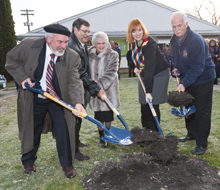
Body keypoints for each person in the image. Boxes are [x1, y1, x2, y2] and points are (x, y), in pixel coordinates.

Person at [5, 23, 86, 179]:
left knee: (65, 129)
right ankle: (28, 160)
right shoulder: (28, 46)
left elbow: (74, 80)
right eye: (59, 42)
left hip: (58, 99)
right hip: (34, 96)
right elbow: (11, 60)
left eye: (66, 41)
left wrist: (78, 102)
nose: (64, 46)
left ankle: (67, 164)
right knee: (32, 129)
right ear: (48, 39)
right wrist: (22, 78)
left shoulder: (72, 56)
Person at [170, 11, 216, 155]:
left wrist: (183, 83)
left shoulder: (196, 40)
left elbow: (198, 67)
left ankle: (202, 143)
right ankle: (192, 134)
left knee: (202, 111)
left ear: (186, 24)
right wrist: (175, 70)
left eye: (179, 25)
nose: (176, 29)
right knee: (188, 107)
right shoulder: (173, 40)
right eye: (173, 26)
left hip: (203, 79)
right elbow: (174, 59)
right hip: (188, 79)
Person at [68, 18, 106, 160]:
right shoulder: (72, 46)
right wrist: (96, 88)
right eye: (84, 31)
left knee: (78, 119)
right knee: (74, 121)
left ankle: (76, 142)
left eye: (89, 32)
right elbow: (79, 72)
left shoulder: (81, 44)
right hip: (73, 90)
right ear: (75, 30)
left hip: (81, 88)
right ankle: (74, 151)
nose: (87, 34)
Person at [127, 18, 169, 132]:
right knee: (143, 103)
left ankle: (155, 132)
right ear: (131, 33)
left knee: (152, 103)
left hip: (159, 74)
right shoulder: (134, 44)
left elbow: (150, 68)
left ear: (143, 30)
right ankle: (146, 131)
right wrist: (136, 67)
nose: (137, 33)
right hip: (146, 73)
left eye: (140, 30)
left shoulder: (149, 44)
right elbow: (136, 59)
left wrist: (149, 91)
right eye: (134, 31)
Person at [88, 31, 120, 147]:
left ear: (107, 43)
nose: (101, 46)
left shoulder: (113, 55)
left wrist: (97, 85)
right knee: (98, 116)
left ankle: (108, 133)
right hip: (95, 93)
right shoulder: (89, 55)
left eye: (103, 43)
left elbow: (111, 73)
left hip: (108, 91)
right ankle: (102, 137)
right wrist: (93, 88)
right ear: (94, 44)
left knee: (107, 117)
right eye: (98, 43)